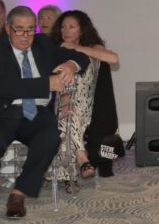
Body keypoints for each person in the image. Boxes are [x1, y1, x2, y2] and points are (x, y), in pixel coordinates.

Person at [0, 6, 88, 220]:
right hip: (3, 114)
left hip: (37, 114)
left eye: (31, 29)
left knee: (50, 138)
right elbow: (1, 87)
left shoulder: (43, 44)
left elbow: (81, 57)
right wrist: (45, 84)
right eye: (19, 30)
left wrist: (70, 64)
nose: (26, 36)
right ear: (8, 29)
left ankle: (18, 194)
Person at [50, 10, 119, 192]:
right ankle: (81, 158)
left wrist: (77, 49)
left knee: (68, 117)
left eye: (71, 27)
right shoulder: (55, 49)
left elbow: (113, 58)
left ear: (82, 30)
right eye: (63, 27)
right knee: (67, 118)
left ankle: (69, 177)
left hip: (86, 106)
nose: (66, 31)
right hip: (60, 104)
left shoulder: (92, 47)